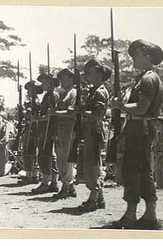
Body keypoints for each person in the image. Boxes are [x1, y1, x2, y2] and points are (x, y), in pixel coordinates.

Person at [111, 39, 163, 229]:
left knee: (134, 170)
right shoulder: (144, 78)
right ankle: (148, 215)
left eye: (137, 55)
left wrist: (120, 105)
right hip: (137, 128)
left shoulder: (148, 78)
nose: (133, 57)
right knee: (138, 170)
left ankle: (134, 215)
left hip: (140, 128)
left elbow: (142, 108)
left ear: (147, 56)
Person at [77, 59, 111, 212]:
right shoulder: (93, 91)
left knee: (94, 164)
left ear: (99, 73)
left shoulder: (100, 92)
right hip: (89, 129)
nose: (87, 76)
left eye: (90, 73)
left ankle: (94, 197)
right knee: (90, 163)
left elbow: (98, 114)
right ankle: (99, 197)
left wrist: (82, 110)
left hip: (95, 130)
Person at [31, 74, 60, 194]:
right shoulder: (47, 96)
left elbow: (52, 115)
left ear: (50, 82)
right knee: (48, 155)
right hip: (44, 129)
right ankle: (53, 182)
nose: (42, 85)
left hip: (49, 129)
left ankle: (46, 182)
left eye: (44, 82)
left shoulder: (53, 95)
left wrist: (37, 119)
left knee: (45, 154)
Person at [52, 69, 77, 199]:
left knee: (67, 160)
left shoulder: (73, 93)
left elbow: (71, 112)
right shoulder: (63, 94)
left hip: (69, 128)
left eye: (65, 79)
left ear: (72, 79)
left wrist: (55, 113)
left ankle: (66, 187)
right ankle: (70, 187)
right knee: (60, 158)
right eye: (61, 79)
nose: (62, 81)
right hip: (61, 129)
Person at [18, 81, 43, 184]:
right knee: (30, 152)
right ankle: (33, 175)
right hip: (32, 128)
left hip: (32, 129)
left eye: (30, 90)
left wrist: (22, 109)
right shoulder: (34, 101)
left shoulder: (34, 101)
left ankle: (31, 176)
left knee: (29, 152)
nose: (27, 92)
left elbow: (28, 115)